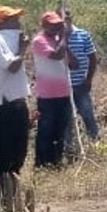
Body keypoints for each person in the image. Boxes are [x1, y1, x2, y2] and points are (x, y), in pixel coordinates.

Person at [0, 6, 31, 194]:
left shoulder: (11, 40)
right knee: (2, 152)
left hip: (18, 101)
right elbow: (11, 67)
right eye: (13, 18)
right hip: (5, 103)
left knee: (20, 150)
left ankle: (11, 192)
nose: (18, 21)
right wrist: (22, 49)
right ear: (2, 22)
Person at [31, 11, 73, 169]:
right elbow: (56, 55)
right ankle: (42, 163)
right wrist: (64, 36)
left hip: (63, 92)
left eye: (59, 24)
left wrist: (63, 37)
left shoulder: (57, 39)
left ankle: (56, 162)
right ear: (44, 25)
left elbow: (70, 61)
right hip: (47, 94)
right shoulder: (39, 41)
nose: (56, 27)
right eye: (53, 25)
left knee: (59, 129)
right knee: (46, 130)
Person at [63, 8, 99, 157]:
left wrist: (89, 79)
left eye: (66, 18)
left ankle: (95, 145)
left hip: (81, 84)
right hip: (63, 87)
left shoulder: (82, 35)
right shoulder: (56, 38)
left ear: (70, 19)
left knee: (88, 115)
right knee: (68, 120)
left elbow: (93, 58)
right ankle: (70, 150)